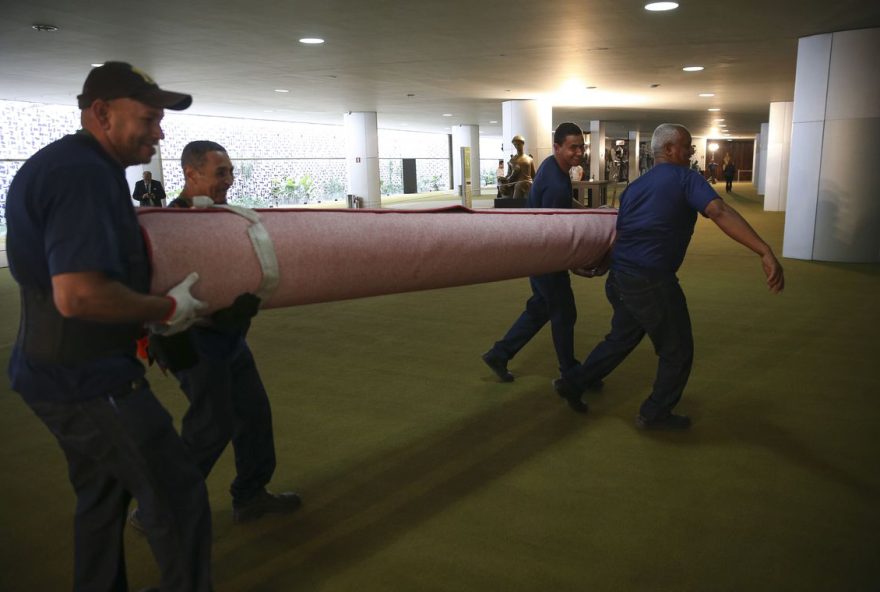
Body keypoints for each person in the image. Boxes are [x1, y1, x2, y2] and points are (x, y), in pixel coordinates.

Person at [5, 61, 213, 591]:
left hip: (55, 369)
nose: (160, 133)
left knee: (102, 495)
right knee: (176, 490)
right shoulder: (82, 175)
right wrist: (166, 310)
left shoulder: (69, 165)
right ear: (101, 113)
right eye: (147, 118)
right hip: (86, 378)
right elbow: (78, 295)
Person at [552, 123, 784, 426]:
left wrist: (606, 264)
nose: (691, 152)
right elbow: (719, 212)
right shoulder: (687, 179)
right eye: (687, 146)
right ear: (670, 149)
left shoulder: (635, 187)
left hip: (621, 277)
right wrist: (764, 250)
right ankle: (655, 412)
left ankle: (572, 382)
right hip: (651, 281)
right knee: (677, 349)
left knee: (621, 338)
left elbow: (621, 234)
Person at [133, 140, 302, 530]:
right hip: (187, 341)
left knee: (254, 414)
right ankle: (157, 508)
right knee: (210, 427)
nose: (229, 179)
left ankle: (251, 494)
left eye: (230, 171)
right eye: (220, 172)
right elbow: (158, 292)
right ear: (191, 174)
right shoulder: (165, 224)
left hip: (229, 337)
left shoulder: (229, 219)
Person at [481, 123, 589, 384]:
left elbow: (564, 204)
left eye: (581, 147)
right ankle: (569, 372)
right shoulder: (554, 182)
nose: (578, 153)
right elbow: (555, 231)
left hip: (537, 252)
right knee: (564, 311)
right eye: (573, 147)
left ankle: (500, 353)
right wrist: (574, 262)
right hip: (545, 256)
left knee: (541, 308)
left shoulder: (554, 166)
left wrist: (591, 210)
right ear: (557, 147)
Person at [498, 135, 537, 199]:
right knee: (503, 186)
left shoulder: (529, 159)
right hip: (514, 182)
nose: (517, 146)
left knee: (519, 185)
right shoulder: (512, 160)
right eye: (515, 145)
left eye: (519, 144)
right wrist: (503, 179)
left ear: (523, 144)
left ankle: (515, 205)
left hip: (527, 182)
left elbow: (533, 175)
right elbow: (508, 175)